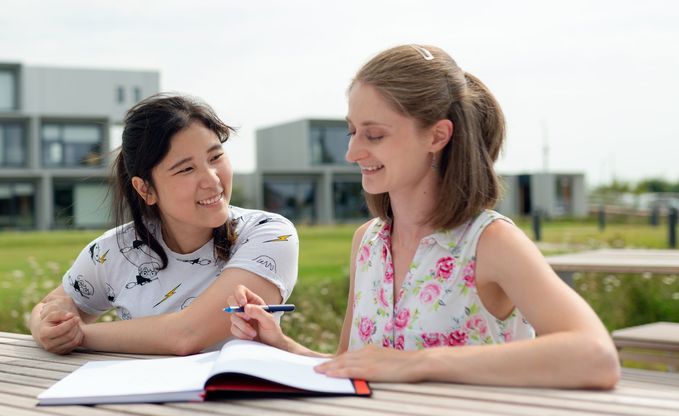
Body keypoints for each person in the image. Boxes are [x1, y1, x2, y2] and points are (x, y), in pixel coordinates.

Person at [228, 44, 620, 389]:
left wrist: (418, 364)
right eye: (352, 132)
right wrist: (280, 343)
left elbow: (596, 356)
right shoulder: (367, 242)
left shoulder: (491, 242)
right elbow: (356, 368)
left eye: (374, 134)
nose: (352, 152)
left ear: (437, 136)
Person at [30, 94, 298, 355]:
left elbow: (188, 334)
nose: (212, 180)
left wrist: (80, 336)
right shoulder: (114, 251)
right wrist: (47, 327)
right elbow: (49, 306)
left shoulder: (269, 234)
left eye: (215, 157)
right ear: (145, 189)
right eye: (186, 169)